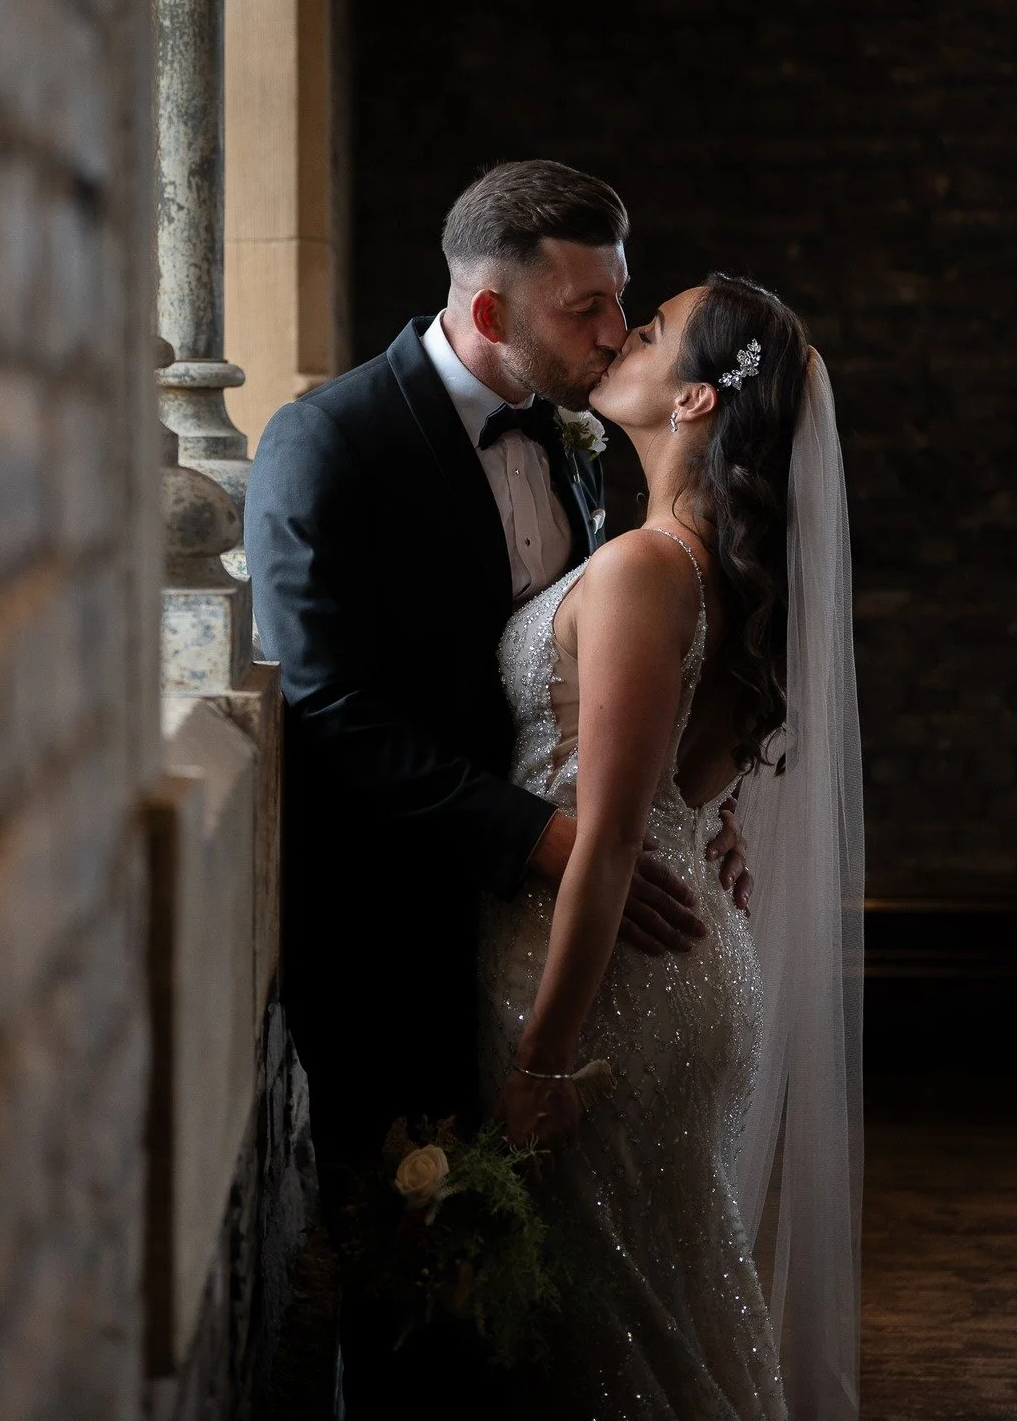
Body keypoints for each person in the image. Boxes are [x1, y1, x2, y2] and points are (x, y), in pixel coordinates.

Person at [244, 160, 752, 1414]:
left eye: (619, 302)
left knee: (565, 1295)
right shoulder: (330, 439)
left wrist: (681, 821)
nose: (610, 333)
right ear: (486, 314)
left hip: (556, 936)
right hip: (397, 933)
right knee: (418, 1299)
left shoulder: (582, 442)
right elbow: (330, 703)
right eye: (583, 308)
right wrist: (548, 842)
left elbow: (609, 690)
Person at [481, 273, 864, 1418]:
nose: (620, 340)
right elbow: (679, 790)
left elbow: (604, 840)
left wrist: (542, 1061)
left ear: (694, 400)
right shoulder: (698, 566)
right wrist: (715, 818)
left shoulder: (652, 567)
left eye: (648, 333)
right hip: (677, 958)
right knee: (666, 1318)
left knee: (617, 1345)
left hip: (609, 994)